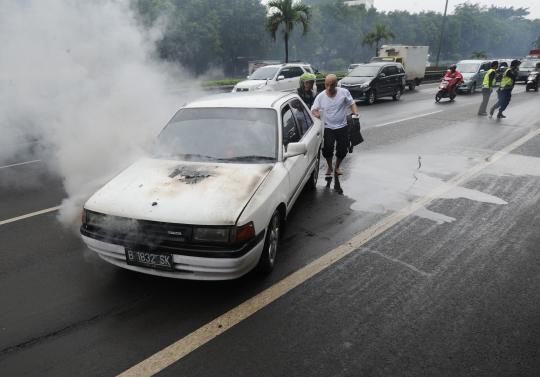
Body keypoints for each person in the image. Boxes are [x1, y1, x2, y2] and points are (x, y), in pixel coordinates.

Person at [311, 74, 359, 176]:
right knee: (327, 149)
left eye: (332, 85)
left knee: (342, 149)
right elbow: (313, 110)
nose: (329, 87)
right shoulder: (320, 96)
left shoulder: (344, 92)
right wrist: (318, 114)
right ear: (324, 84)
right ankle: (329, 167)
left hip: (342, 126)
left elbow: (352, 103)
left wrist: (355, 113)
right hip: (328, 127)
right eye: (327, 85)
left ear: (336, 84)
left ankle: (337, 167)